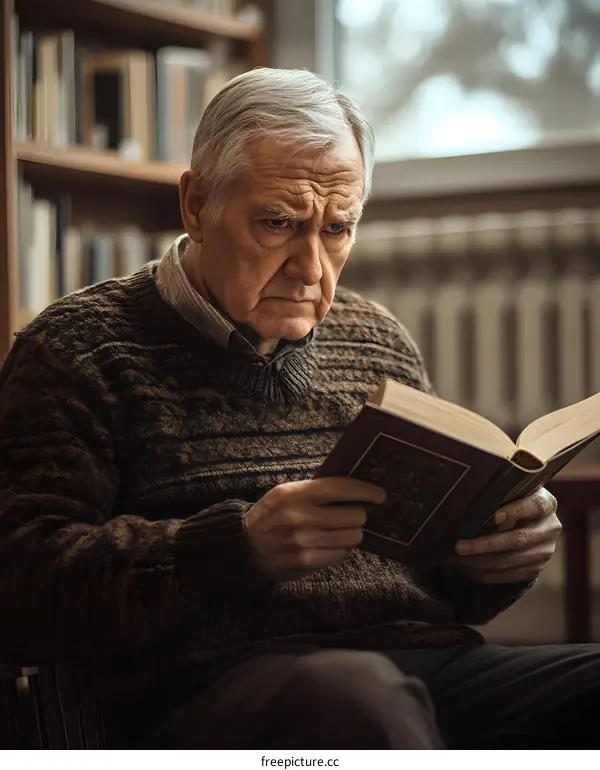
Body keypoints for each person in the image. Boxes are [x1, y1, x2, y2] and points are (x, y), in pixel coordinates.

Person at [0, 67, 594, 750]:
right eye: (278, 224)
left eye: (339, 228)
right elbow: (19, 583)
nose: (312, 268)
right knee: (357, 702)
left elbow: (441, 588)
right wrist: (231, 548)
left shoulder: (378, 339)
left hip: (424, 664)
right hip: (205, 685)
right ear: (196, 205)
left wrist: (502, 557)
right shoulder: (77, 349)